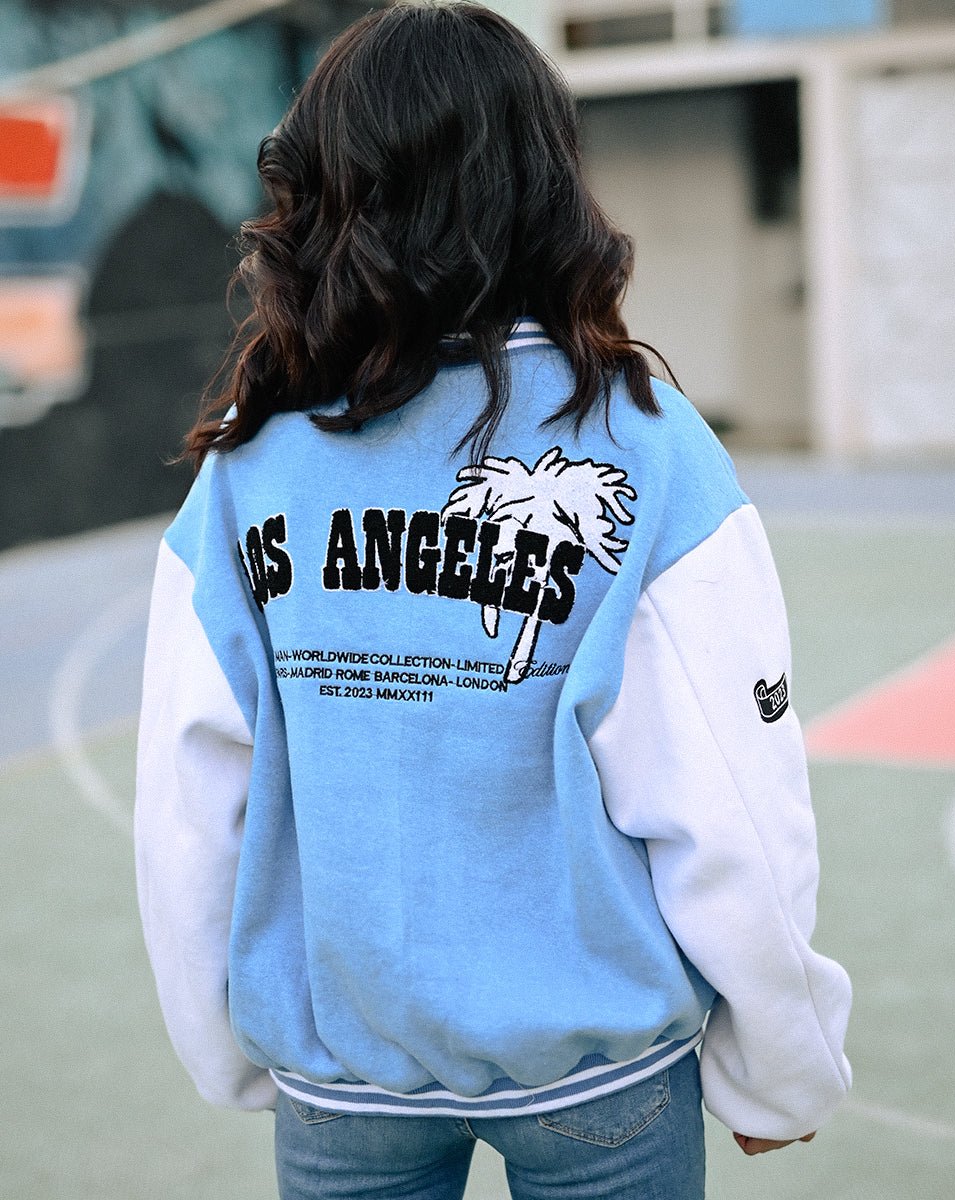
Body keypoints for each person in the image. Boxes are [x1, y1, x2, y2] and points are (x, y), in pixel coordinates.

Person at [134, 4, 852, 1198]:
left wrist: (227, 1044)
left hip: (341, 1074)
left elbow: (187, 797)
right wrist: (781, 1067)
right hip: (596, 1078)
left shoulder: (250, 460)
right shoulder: (646, 449)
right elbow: (730, 799)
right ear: (546, 179)